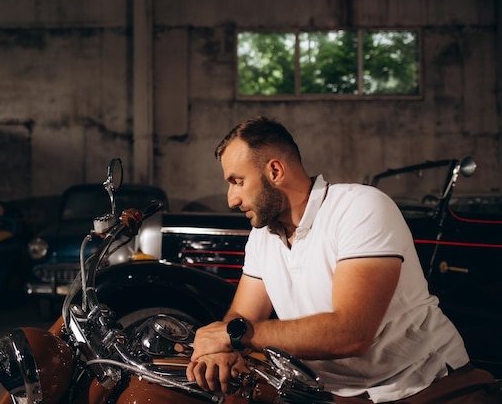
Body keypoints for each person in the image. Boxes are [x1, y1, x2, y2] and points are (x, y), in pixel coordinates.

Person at [186, 116, 501, 403]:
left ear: (275, 171)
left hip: (427, 386)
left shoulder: (360, 208)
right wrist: (221, 350)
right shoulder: (262, 237)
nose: (232, 199)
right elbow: (242, 313)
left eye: (237, 181)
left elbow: (351, 332)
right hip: (337, 394)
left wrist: (236, 336)